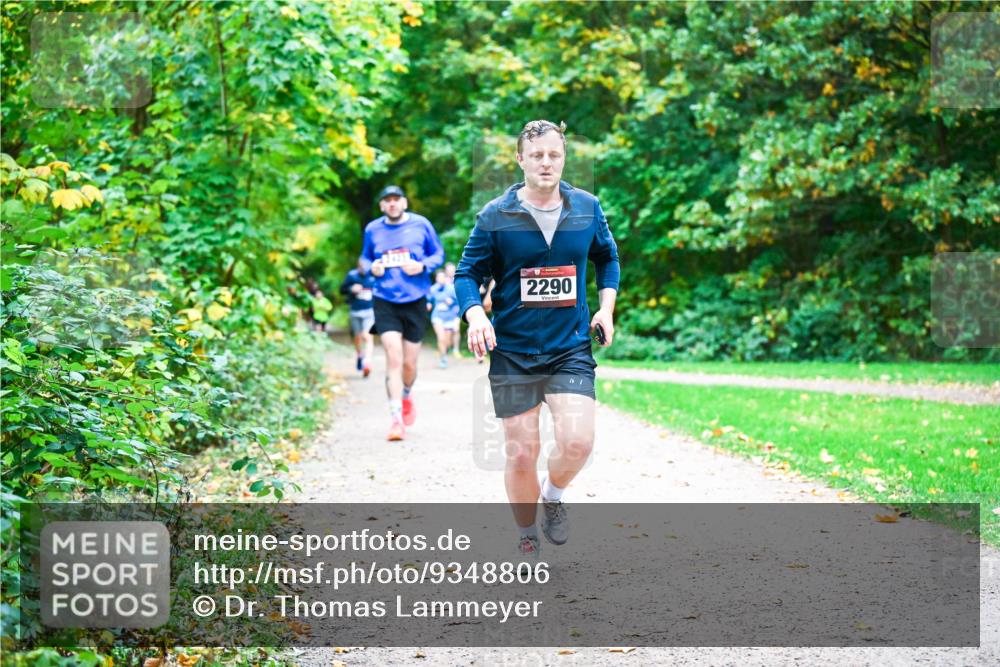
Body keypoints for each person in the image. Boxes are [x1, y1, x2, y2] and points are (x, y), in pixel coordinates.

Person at [454, 120, 619, 559]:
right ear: (520, 159)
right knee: (522, 452)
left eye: (555, 155)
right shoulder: (495, 215)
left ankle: (554, 495)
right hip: (514, 351)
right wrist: (475, 316)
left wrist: (605, 308)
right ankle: (527, 533)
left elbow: (607, 257)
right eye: (538, 155)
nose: (547, 163)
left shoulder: (586, 207)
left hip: (569, 348)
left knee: (579, 441)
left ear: (564, 158)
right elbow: (467, 273)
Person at [360, 185, 445, 441]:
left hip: (415, 299)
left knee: (409, 363)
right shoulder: (373, 229)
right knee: (393, 358)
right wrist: (371, 267)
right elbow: (364, 259)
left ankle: (407, 394)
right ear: (382, 206)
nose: (392, 204)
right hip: (384, 299)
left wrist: (421, 265)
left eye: (396, 200)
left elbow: (438, 254)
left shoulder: (421, 225)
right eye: (387, 201)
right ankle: (396, 419)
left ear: (405, 203)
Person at [339, 260, 376, 377]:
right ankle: (360, 355)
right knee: (358, 337)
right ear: (358, 267)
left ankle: (367, 362)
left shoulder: (374, 276)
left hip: (369, 311)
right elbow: (341, 290)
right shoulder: (352, 276)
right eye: (362, 267)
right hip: (355, 311)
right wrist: (351, 289)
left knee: (367, 336)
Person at [428, 269, 460, 369]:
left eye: (442, 277)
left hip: (449, 317)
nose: (440, 279)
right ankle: (443, 358)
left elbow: (459, 302)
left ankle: (445, 352)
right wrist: (428, 304)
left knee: (447, 341)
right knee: (441, 338)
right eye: (438, 277)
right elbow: (428, 299)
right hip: (437, 316)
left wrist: (453, 303)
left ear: (446, 278)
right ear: (436, 278)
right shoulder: (433, 289)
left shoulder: (451, 289)